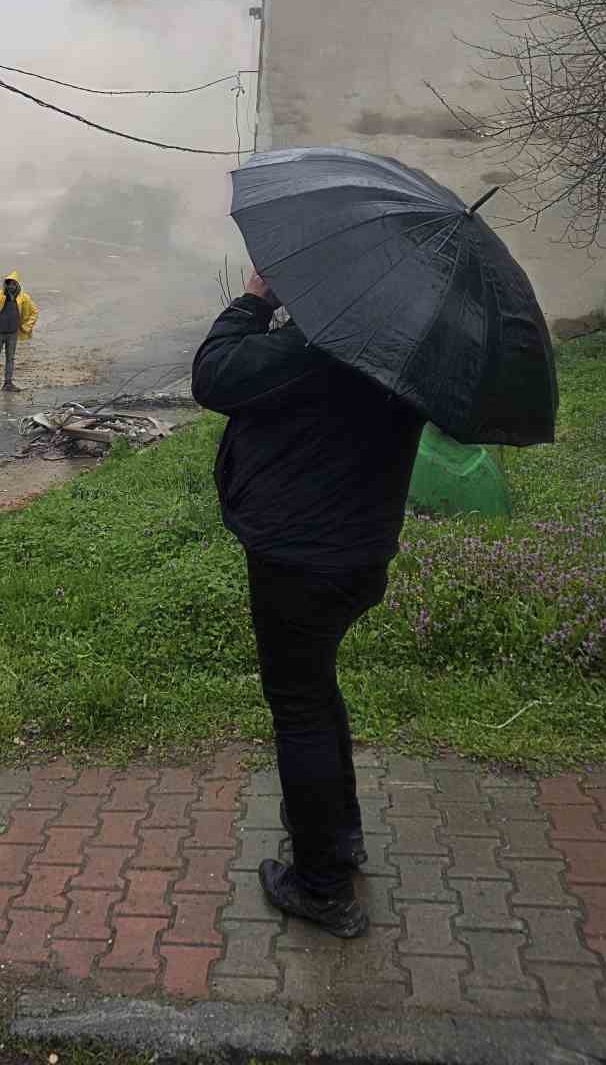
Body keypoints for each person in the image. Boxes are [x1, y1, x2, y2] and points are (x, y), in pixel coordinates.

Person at [191, 271, 424, 939]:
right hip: (359, 552)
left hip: (300, 559)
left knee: (299, 708)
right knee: (316, 693)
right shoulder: (402, 348)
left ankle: (321, 886)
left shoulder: (323, 346)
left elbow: (214, 375)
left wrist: (255, 298)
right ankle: (338, 835)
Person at [0, 271, 38, 391]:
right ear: (6, 285)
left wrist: (26, 327)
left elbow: (34, 312)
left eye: (13, 284)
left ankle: (8, 383)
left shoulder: (24, 298)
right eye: (9, 284)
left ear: (17, 285)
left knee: (10, 358)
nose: (11, 286)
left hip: (13, 334)